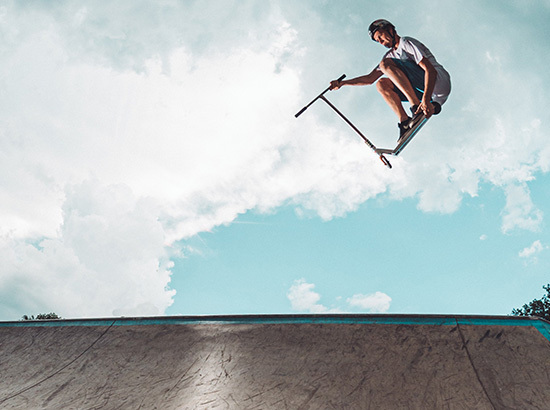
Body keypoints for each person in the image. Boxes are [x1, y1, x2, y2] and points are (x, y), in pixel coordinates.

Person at [330, 19, 451, 142]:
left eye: (381, 36)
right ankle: (405, 121)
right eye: (378, 41)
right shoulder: (390, 55)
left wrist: (424, 100)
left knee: (385, 64)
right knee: (381, 84)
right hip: (428, 94)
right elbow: (369, 79)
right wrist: (343, 83)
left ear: (390, 29)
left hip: (437, 81)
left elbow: (430, 70)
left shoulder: (406, 42)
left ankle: (415, 107)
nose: (381, 42)